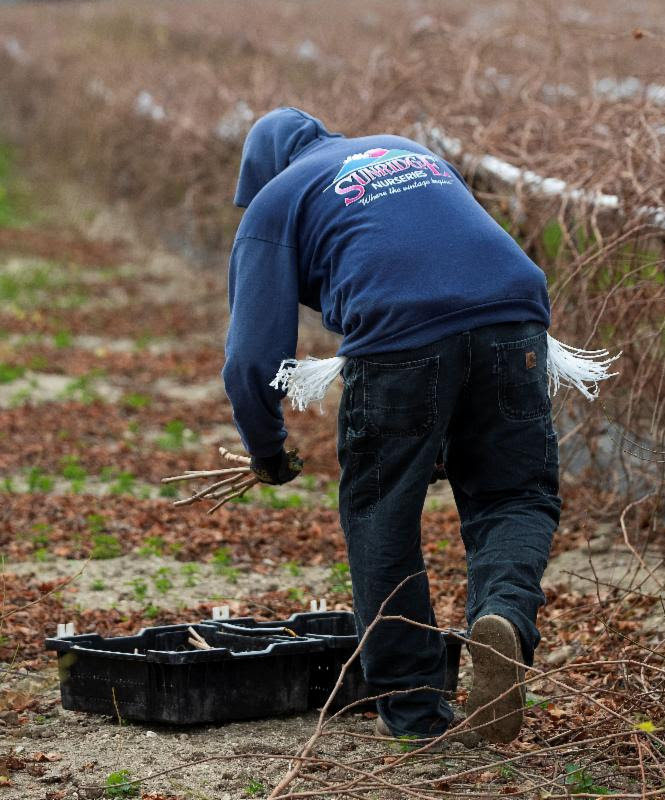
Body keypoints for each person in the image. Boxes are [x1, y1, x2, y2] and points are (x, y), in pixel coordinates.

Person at [222, 107, 562, 746]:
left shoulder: (276, 199)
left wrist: (267, 451)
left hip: (399, 337)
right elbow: (448, 248)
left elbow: (250, 361)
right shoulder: (406, 150)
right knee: (515, 494)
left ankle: (415, 710)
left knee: (382, 513)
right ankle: (505, 618)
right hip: (516, 316)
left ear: (261, 172)